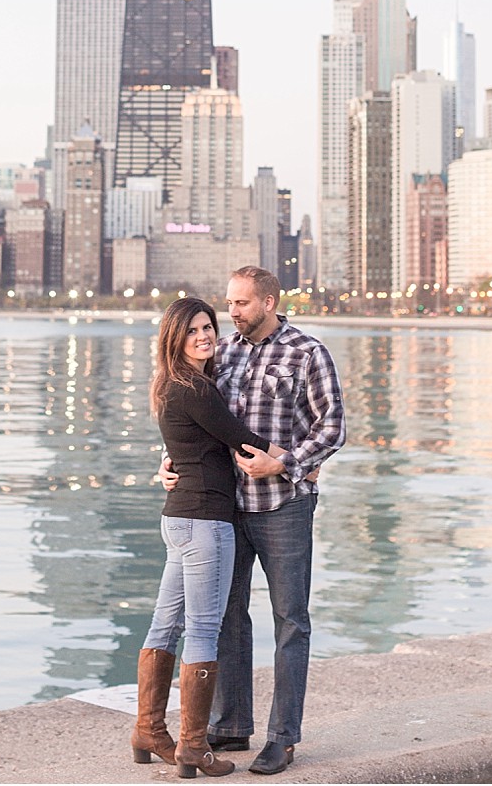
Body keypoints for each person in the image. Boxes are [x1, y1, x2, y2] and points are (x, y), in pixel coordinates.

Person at [160, 267, 346, 776]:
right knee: (227, 616)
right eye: (229, 303)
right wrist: (168, 460)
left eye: (241, 304)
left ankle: (283, 737)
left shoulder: (307, 352)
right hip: (224, 508)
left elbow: (333, 427)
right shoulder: (224, 354)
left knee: (290, 621)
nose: (231, 313)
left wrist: (282, 462)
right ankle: (230, 722)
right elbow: (198, 418)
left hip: (284, 504)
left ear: (268, 301)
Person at [132, 295, 288, 780]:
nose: (204, 336)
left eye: (208, 327)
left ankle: (149, 731)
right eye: (194, 329)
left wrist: (166, 464)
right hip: (204, 521)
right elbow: (236, 434)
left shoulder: (173, 385)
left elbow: (187, 444)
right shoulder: (195, 389)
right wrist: (288, 457)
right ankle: (193, 748)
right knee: (201, 630)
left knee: (165, 625)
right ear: (175, 338)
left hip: (178, 519)